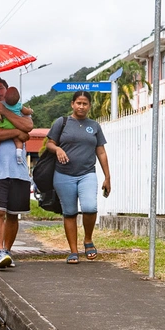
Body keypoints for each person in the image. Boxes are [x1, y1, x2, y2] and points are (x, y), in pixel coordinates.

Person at [44, 90, 111, 264]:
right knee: (70, 212)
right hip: (63, 175)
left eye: (85, 103)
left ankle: (88, 239)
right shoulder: (62, 122)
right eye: (78, 103)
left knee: (90, 207)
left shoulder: (94, 126)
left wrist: (107, 177)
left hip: (87, 173)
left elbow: (101, 151)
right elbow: (50, 143)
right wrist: (58, 149)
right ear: (72, 104)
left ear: (89, 106)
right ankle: (73, 251)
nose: (81, 106)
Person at [0, 78, 32, 269]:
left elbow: (28, 127)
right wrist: (17, 133)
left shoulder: (20, 108)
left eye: (0, 88)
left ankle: (7, 251)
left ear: (7, 89)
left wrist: (7, 113)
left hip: (19, 172)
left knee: (13, 215)